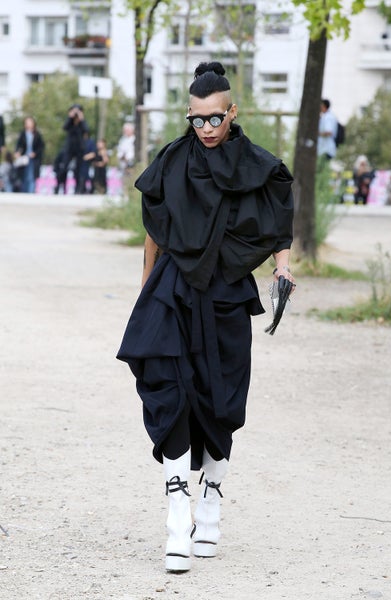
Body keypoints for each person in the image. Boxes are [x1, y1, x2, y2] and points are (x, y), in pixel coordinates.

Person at [117, 62, 295, 573]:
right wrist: (145, 290)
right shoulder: (172, 161)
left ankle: (210, 506)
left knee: (220, 400)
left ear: (232, 111)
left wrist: (283, 267)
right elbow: (154, 229)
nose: (207, 128)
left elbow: (278, 219)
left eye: (215, 118)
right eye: (197, 119)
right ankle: (178, 516)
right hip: (173, 287)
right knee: (167, 389)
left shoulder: (257, 165)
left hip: (227, 291)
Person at [61, 104, 89, 193]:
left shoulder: (82, 123)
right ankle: (63, 188)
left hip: (79, 149)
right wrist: (70, 117)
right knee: (64, 168)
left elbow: (86, 130)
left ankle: (78, 189)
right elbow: (64, 127)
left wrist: (81, 118)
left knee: (78, 170)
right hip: (69, 148)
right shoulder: (70, 123)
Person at [14, 116, 45, 193]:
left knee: (31, 176)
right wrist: (17, 152)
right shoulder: (23, 134)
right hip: (24, 159)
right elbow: (18, 145)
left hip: (33, 159)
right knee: (23, 176)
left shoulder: (37, 134)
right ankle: (24, 193)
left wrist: (35, 153)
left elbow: (41, 147)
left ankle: (31, 193)